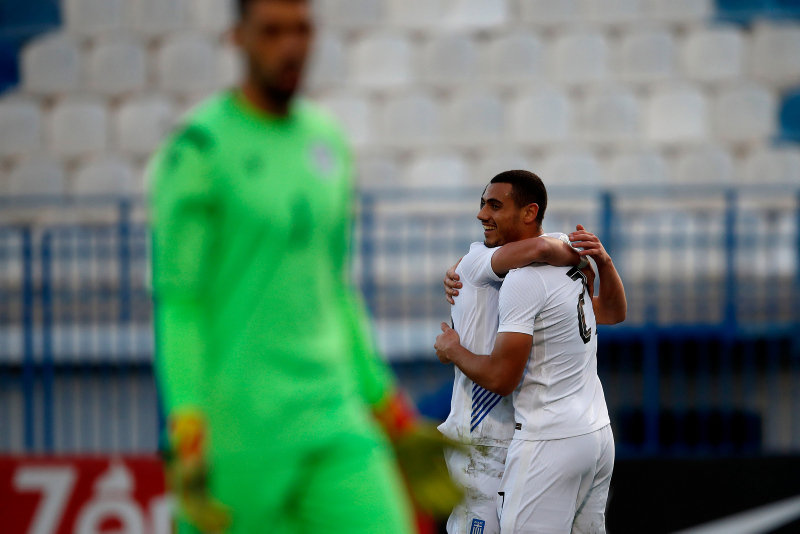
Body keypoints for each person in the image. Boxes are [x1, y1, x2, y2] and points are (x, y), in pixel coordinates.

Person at [149, 1, 456, 532]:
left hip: (334, 415)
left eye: (301, 30)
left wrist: (390, 412)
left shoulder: (328, 142)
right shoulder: (198, 148)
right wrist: (188, 426)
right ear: (238, 38)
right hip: (239, 434)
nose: (289, 45)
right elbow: (180, 304)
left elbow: (333, 291)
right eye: (271, 31)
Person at [435, 170, 626, 533]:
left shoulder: (533, 270)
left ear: (529, 213)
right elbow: (608, 309)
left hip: (532, 436)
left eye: (494, 205)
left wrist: (452, 348)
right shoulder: (476, 262)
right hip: (489, 440)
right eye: (481, 204)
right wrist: (584, 257)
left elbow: (503, 377)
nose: (481, 215)